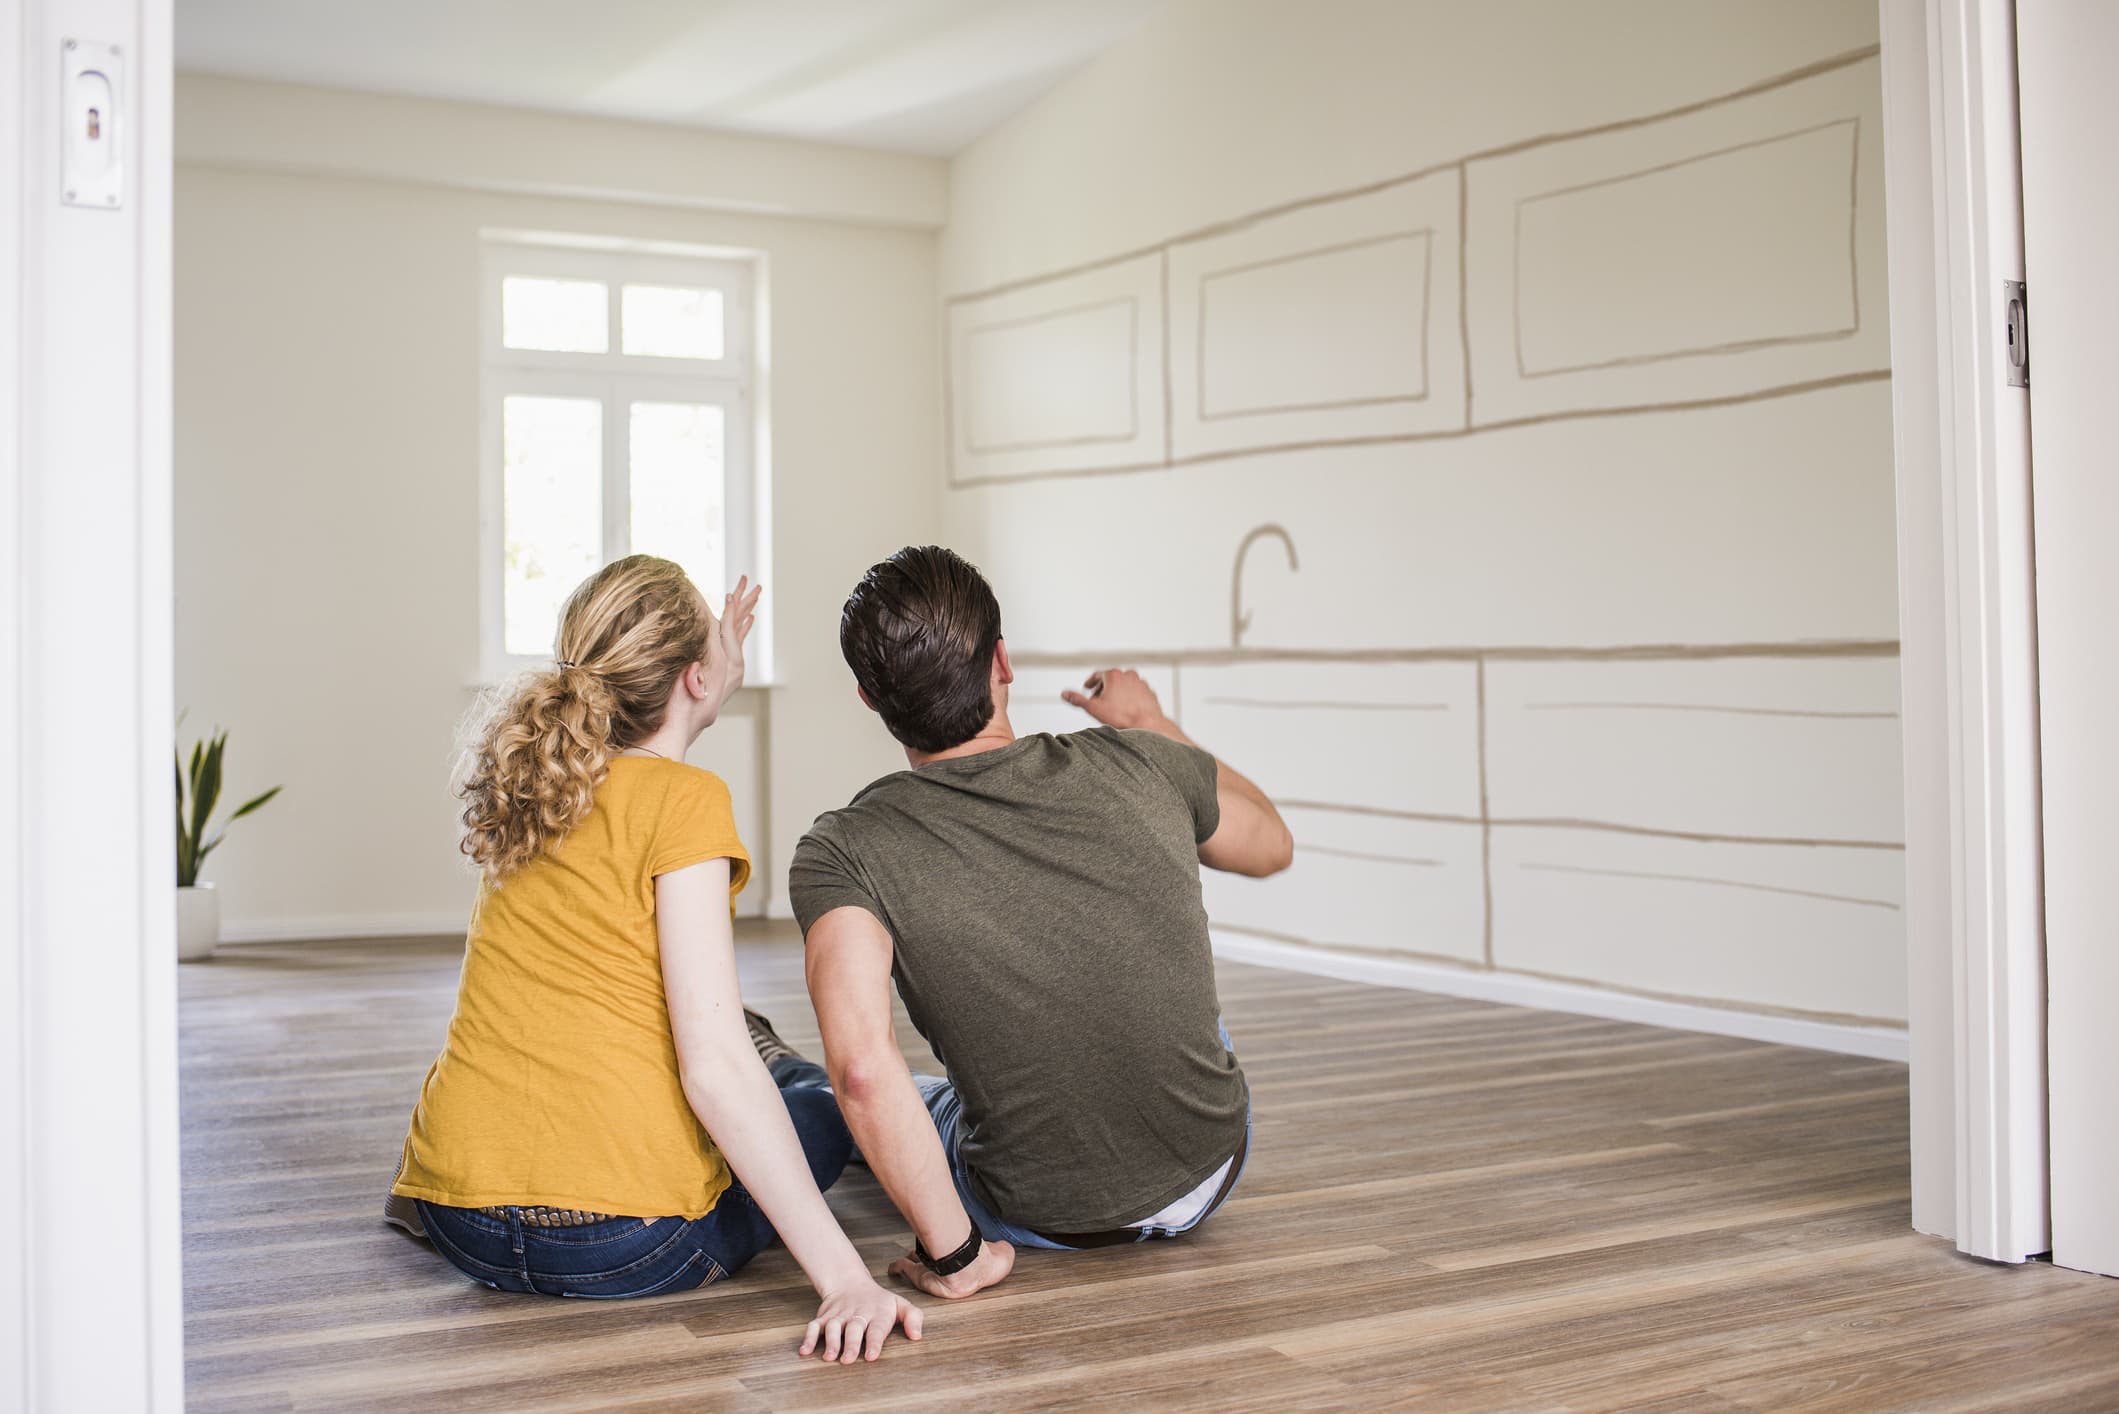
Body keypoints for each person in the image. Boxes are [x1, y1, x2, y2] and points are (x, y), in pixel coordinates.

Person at [385, 555, 918, 1364]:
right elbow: (711, 1073)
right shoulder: (684, 801)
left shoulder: (537, 782)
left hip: (460, 1219)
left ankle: (751, 1040)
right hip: (624, 1245)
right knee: (811, 1102)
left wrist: (708, 682)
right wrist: (845, 1279)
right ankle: (768, 1051)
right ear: (697, 679)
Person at [783, 544, 1294, 1301]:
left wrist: (955, 1259)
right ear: (1002, 662)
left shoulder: (844, 847)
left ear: (867, 697)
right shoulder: (1142, 760)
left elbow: (861, 1069)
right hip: (1214, 1165)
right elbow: (1270, 846)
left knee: (894, 1096)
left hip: (1033, 1212)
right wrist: (1152, 722)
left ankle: (779, 1069)